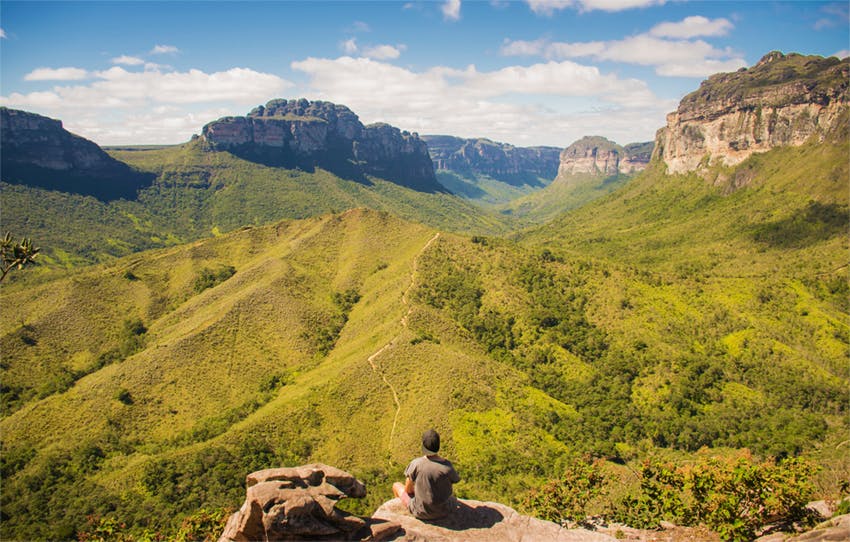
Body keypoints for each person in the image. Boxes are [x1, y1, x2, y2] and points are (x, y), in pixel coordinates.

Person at [392, 429, 460, 520]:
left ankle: (398, 515)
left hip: (420, 511)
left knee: (396, 485)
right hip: (444, 511)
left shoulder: (416, 464)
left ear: (423, 446)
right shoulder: (447, 466)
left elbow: (408, 490)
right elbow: (454, 481)